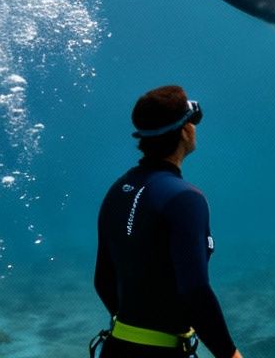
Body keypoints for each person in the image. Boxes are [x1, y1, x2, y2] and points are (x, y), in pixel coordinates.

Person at [93, 86, 242, 358]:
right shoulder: (185, 199)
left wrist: (136, 330)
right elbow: (195, 291)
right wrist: (230, 354)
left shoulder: (118, 189)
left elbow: (103, 280)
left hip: (115, 348)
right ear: (185, 131)